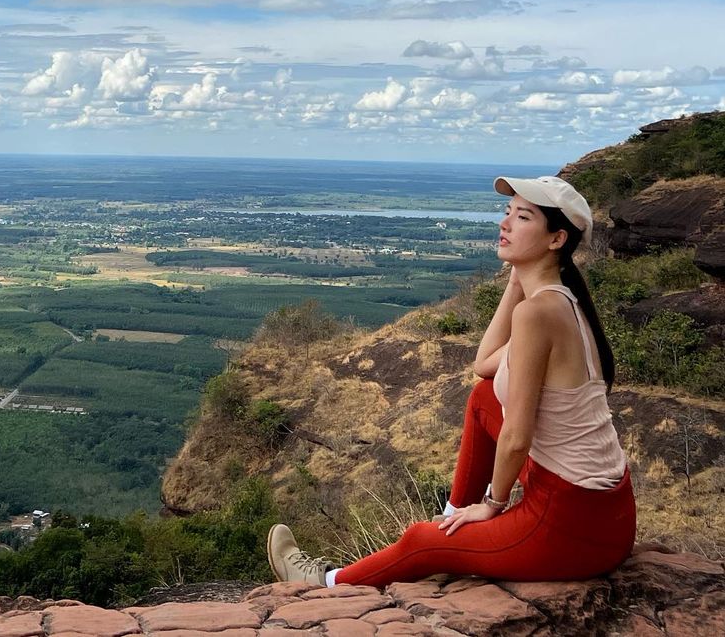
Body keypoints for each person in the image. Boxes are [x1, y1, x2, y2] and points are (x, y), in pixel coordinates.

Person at [267, 174, 636, 589]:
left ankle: (321, 581)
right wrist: (518, 279)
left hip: (573, 526)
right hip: (604, 511)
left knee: (420, 543)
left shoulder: (540, 313)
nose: (506, 224)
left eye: (524, 217)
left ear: (556, 239)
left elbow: (516, 436)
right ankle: (453, 515)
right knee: (483, 398)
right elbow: (484, 366)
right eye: (507, 213)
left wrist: (492, 505)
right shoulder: (555, 300)